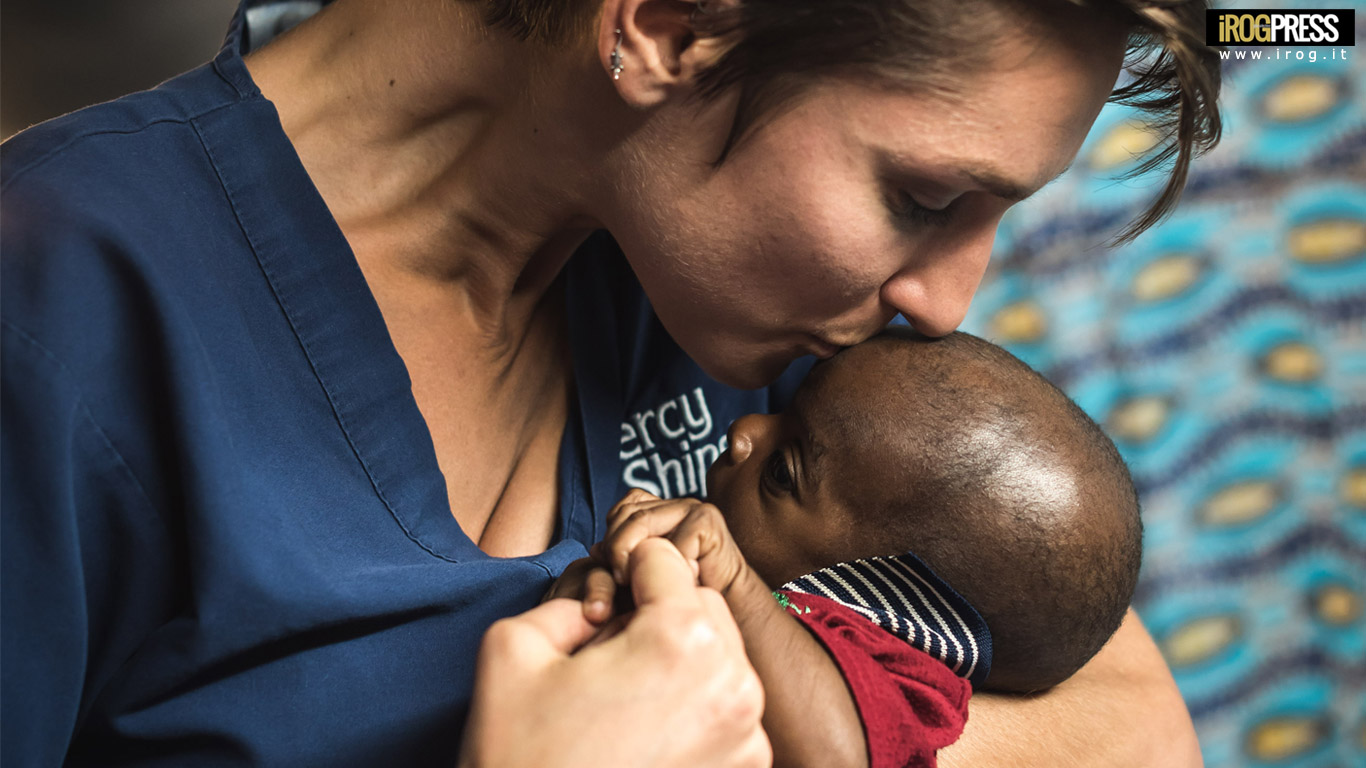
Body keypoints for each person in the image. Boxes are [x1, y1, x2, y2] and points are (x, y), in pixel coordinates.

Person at [0, 0, 1218, 765]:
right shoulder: (63, 316)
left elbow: (1129, 721)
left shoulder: (730, 295)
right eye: (925, 200)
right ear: (670, 27)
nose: (946, 305)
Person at [549, 328, 1144, 767]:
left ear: (882, 596)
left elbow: (836, 756)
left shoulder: (903, 680)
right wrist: (603, 590)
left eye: (782, 471)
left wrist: (731, 583)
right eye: (782, 414)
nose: (743, 432)